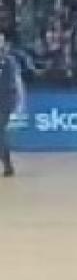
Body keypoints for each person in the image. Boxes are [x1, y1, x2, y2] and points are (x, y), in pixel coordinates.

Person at [0, 33, 26, 178]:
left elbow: (18, 81)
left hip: (5, 100)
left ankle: (7, 165)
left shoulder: (10, 60)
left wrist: (21, 102)